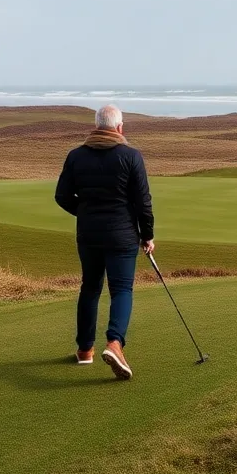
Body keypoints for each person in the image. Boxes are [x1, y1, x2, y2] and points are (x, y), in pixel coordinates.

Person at [55, 104, 154, 380]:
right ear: (120, 128)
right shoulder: (131, 156)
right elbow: (143, 201)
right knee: (121, 288)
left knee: (90, 287)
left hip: (89, 234)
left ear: (97, 126)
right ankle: (114, 344)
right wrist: (147, 235)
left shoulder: (76, 156)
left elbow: (62, 196)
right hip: (122, 235)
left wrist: (85, 213)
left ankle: (85, 350)